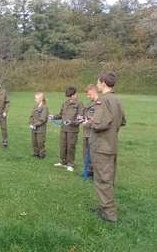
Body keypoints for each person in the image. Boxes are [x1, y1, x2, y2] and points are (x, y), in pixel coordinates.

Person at [83, 72, 126, 224]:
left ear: (103, 83)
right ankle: (104, 206)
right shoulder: (117, 100)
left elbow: (101, 124)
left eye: (98, 82)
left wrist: (89, 123)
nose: (97, 84)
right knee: (107, 179)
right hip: (111, 145)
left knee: (103, 180)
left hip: (102, 146)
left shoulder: (103, 101)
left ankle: (109, 215)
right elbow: (122, 121)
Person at [48, 87, 84, 172]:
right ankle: (63, 162)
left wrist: (71, 122)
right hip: (63, 129)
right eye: (68, 96)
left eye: (70, 96)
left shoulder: (79, 104)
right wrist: (53, 116)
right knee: (63, 146)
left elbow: (80, 118)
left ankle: (70, 164)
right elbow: (61, 114)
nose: (69, 98)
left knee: (71, 146)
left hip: (72, 130)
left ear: (74, 94)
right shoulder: (65, 103)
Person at [79, 84, 99, 178]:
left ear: (95, 91)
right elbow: (84, 113)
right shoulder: (89, 103)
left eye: (89, 94)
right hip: (86, 132)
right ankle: (89, 170)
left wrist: (88, 123)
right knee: (86, 152)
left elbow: (99, 119)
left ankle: (96, 172)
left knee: (93, 153)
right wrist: (81, 117)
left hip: (93, 133)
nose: (88, 96)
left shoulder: (99, 104)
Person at [29, 93, 49, 159]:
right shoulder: (35, 107)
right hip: (34, 127)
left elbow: (42, 119)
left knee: (40, 141)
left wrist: (35, 125)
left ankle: (42, 154)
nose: (35, 100)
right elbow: (31, 116)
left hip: (40, 128)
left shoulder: (44, 108)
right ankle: (36, 152)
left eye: (36, 98)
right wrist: (31, 123)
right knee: (34, 141)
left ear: (41, 99)